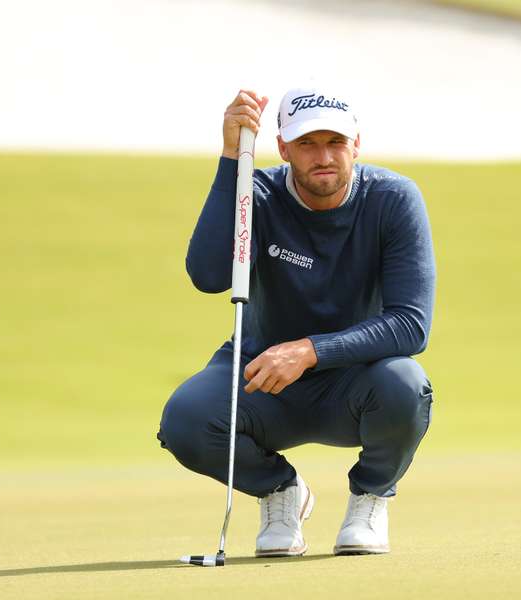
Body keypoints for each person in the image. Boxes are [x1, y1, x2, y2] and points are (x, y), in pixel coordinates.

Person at [157, 87, 436, 557]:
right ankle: (280, 492)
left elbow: (411, 325)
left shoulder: (392, 199)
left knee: (406, 383)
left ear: (357, 144)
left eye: (336, 142)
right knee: (185, 420)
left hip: (354, 383)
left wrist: (308, 350)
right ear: (283, 149)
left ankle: (370, 497)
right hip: (264, 376)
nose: (323, 156)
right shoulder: (258, 195)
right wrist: (231, 160)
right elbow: (207, 277)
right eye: (307, 144)